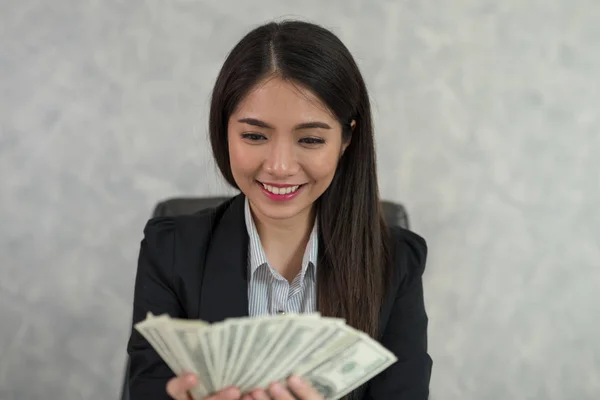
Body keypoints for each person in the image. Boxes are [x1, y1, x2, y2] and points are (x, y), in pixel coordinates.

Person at [126, 19, 432, 400]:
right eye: (254, 136)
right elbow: (146, 389)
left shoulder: (396, 262)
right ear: (224, 130)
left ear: (347, 139)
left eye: (310, 139)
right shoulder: (170, 251)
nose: (280, 166)